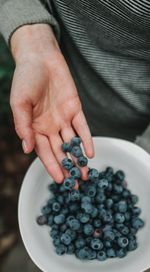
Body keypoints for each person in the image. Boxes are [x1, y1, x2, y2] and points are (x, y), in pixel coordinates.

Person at [0, 0, 150, 183]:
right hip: (49, 105)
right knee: (55, 161)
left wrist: (144, 152)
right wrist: (31, 37)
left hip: (133, 122)